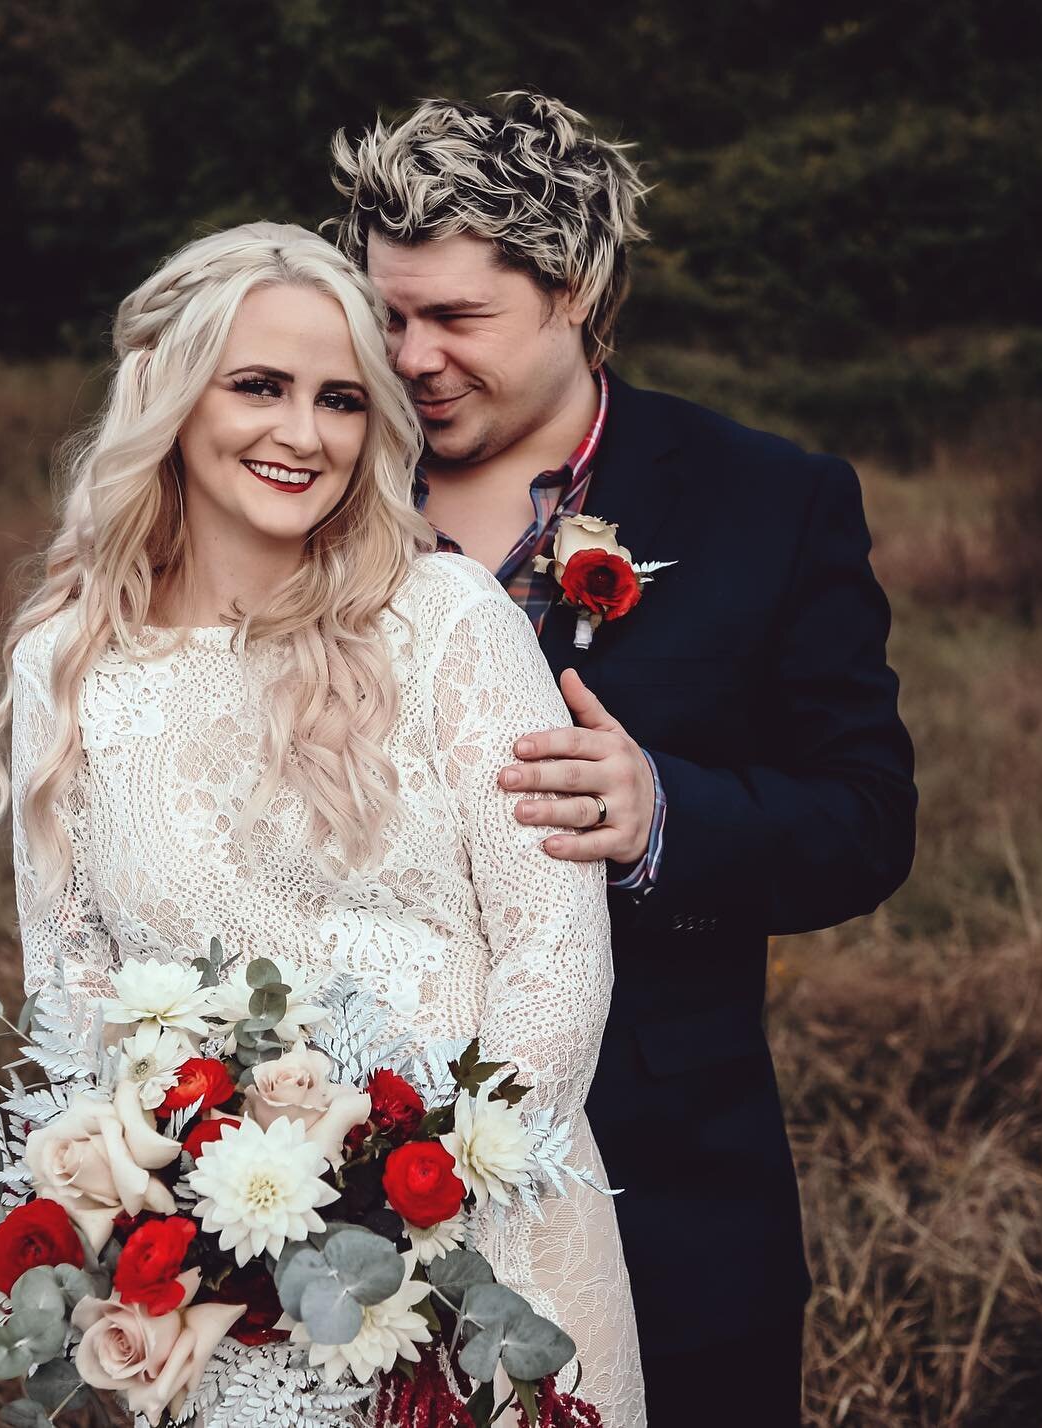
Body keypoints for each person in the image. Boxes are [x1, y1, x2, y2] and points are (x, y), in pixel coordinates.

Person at [0, 223, 646, 1426]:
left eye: (341, 399)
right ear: (171, 396)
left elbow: (554, 954)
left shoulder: (447, 621)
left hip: (481, 1263)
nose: (303, 434)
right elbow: (72, 980)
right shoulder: (67, 665)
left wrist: (407, 1212)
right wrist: (183, 1229)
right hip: (209, 1298)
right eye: (259, 387)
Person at [331, 91, 917, 1427]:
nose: (410, 359)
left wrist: (668, 814)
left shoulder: (769, 501)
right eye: (389, 315)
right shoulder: (315, 478)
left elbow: (869, 819)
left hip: (670, 1203)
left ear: (580, 291)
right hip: (334, 1199)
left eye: (459, 321)